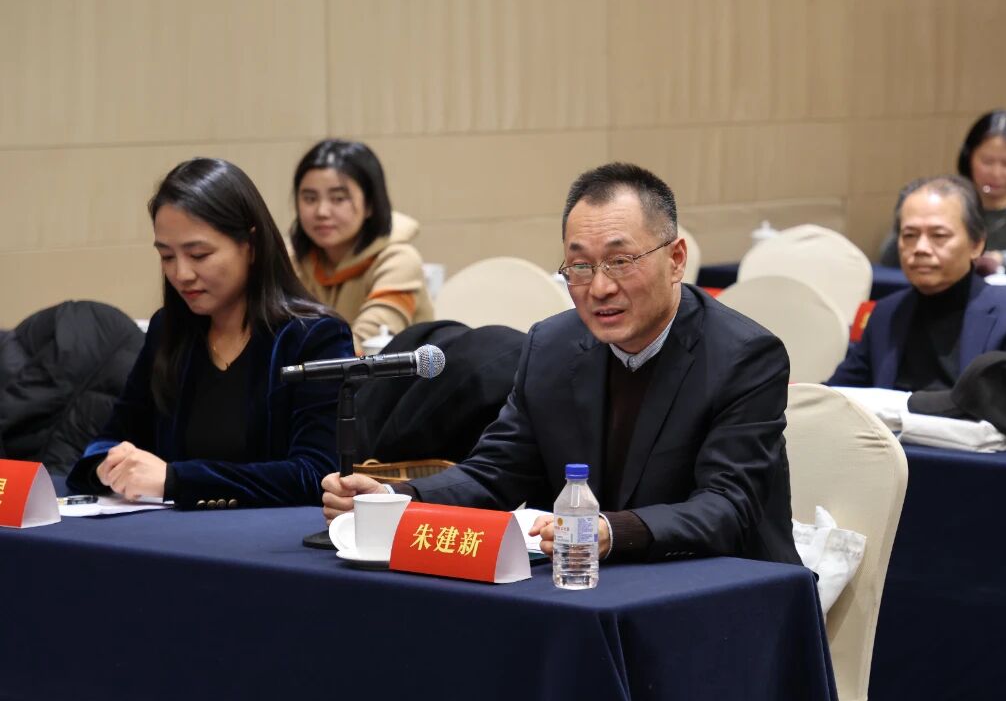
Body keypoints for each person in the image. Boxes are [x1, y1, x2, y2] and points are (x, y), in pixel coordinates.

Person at [322, 162, 801, 565]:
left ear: (675, 260)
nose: (600, 288)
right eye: (580, 266)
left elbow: (727, 507)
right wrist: (396, 500)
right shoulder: (552, 346)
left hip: (726, 587)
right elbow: (495, 473)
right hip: (590, 580)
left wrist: (612, 530)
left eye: (621, 261)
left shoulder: (743, 356)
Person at [66, 159, 354, 508]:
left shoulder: (314, 337)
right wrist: (108, 466)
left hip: (272, 534)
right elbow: (112, 437)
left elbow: (316, 473)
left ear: (251, 245)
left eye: (199, 254)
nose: (181, 274)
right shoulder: (168, 329)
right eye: (167, 256)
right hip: (169, 531)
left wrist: (176, 480)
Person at [830, 176, 1006, 394]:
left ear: (976, 245)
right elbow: (840, 394)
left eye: (938, 235)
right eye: (909, 235)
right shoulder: (885, 314)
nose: (921, 248)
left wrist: (917, 406)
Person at [880, 110, 1006, 275]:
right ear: (969, 157)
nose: (996, 173)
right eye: (987, 162)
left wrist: (1004, 260)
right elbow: (889, 258)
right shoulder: (947, 200)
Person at [291, 139, 433, 348]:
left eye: (338, 198)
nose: (322, 212)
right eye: (310, 199)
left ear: (370, 204)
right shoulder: (291, 260)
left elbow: (365, 347)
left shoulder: (399, 260)